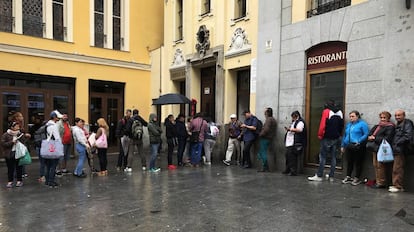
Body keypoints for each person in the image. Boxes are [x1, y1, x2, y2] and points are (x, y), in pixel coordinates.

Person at [308, 100, 344, 182]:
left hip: (327, 137)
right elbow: (341, 126)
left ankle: (319, 175)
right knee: (333, 157)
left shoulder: (326, 111)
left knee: (323, 157)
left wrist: (320, 135)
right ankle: (331, 176)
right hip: (336, 137)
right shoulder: (340, 112)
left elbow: (322, 125)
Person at [366, 111, 395, 189]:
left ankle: (381, 182)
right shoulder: (378, 126)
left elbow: (387, 138)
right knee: (375, 165)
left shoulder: (390, 126)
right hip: (374, 148)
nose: (382, 119)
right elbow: (370, 133)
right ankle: (378, 180)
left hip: (382, 149)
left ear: (388, 118)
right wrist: (370, 137)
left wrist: (374, 138)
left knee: (380, 166)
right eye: (381, 117)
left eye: (384, 117)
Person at [340, 110, 369, 185]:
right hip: (349, 145)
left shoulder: (362, 124)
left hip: (358, 145)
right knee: (349, 161)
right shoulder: (349, 125)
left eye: (353, 116)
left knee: (358, 162)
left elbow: (366, 134)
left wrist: (359, 140)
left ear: (357, 116)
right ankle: (348, 176)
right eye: (350, 116)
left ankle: (357, 177)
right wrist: (343, 145)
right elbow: (345, 135)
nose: (351, 118)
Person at [389, 109, 413, 193]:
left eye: (399, 115)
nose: (397, 117)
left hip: (401, 149)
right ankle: (396, 184)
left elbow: (408, 136)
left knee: (398, 168)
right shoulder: (398, 124)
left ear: (404, 115)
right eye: (396, 115)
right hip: (397, 149)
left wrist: (397, 143)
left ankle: (398, 186)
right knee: (396, 167)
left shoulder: (407, 123)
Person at [1, 121, 25, 188]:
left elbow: (23, 143)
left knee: (19, 168)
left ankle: (19, 181)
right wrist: (11, 142)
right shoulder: (6, 134)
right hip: (9, 154)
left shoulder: (20, 134)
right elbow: (3, 144)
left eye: (18, 126)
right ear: (12, 127)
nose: (18, 127)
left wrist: (24, 139)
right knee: (10, 168)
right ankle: (10, 181)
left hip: (18, 153)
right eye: (16, 126)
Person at [283, 111, 307, 176]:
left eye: (293, 117)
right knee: (288, 156)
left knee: (292, 157)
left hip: (295, 142)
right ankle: (288, 169)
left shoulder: (300, 122)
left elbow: (299, 130)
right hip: (290, 142)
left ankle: (293, 171)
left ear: (296, 116)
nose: (292, 119)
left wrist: (290, 129)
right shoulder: (294, 122)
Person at [44, 111, 63, 187]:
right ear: (55, 117)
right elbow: (57, 138)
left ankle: (47, 180)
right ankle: (51, 181)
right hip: (54, 147)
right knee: (53, 165)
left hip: (48, 146)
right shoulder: (54, 126)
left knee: (48, 165)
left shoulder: (47, 125)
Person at [257, 108, 277, 172]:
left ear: (267, 113)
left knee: (263, 153)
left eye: (265, 112)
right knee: (263, 153)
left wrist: (260, 134)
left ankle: (265, 167)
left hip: (265, 138)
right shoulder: (273, 120)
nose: (264, 113)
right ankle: (266, 167)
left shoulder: (269, 120)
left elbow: (266, 129)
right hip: (270, 138)